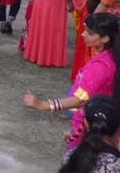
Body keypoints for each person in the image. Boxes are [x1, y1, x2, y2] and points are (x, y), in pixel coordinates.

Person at [23, 13, 119, 150]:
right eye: (85, 30)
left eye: (90, 33)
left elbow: (80, 99)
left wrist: (43, 105)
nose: (83, 35)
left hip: (89, 126)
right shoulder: (106, 57)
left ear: (105, 38)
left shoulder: (101, 66)